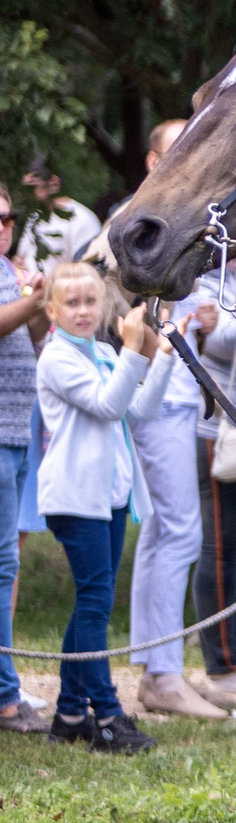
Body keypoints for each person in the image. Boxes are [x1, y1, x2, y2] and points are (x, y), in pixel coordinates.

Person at [36, 261, 174, 752]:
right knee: (94, 604)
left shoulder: (101, 352)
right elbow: (107, 405)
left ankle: (70, 714)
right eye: (71, 303)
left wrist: (162, 358)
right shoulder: (56, 358)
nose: (83, 311)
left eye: (90, 301)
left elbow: (138, 410)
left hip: (109, 497)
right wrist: (135, 349)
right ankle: (109, 716)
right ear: (52, 311)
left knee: (90, 603)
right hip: (76, 498)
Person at [119, 119, 229, 720]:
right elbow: (124, 309)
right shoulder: (140, 220)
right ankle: (162, 674)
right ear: (153, 160)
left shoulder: (184, 219)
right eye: (181, 146)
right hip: (154, 393)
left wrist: (200, 328)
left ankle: (157, 666)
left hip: (178, 392)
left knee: (166, 531)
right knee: (180, 530)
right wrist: (173, 325)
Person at [191, 261, 236, 702]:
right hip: (218, 428)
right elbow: (221, 342)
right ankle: (222, 664)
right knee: (222, 547)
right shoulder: (203, 279)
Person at [0, 196, 42, 732]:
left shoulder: (10, 272)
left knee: (6, 564)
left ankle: (5, 688)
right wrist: (38, 301)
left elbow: (32, 337)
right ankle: (5, 697)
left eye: (8, 218)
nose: (4, 227)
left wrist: (37, 300)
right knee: (1, 564)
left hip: (15, 431)